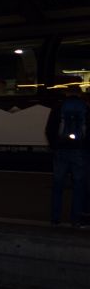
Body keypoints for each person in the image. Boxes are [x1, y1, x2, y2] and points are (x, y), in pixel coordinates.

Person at [45, 88, 88, 227]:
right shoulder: (86, 107)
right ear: (79, 94)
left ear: (67, 94)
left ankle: (55, 218)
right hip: (80, 152)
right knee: (79, 186)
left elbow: (49, 130)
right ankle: (75, 219)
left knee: (58, 185)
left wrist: (55, 146)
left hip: (61, 151)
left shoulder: (58, 107)